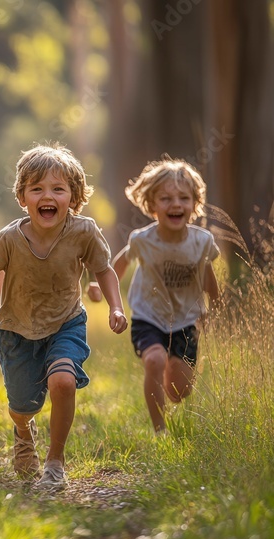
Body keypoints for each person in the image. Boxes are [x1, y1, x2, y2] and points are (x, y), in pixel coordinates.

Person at [0, 143, 127, 491]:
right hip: (16, 328)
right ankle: (22, 431)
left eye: (58, 189)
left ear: (74, 197)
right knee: (22, 406)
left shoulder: (84, 232)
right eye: (37, 188)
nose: (48, 195)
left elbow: (104, 270)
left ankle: (55, 462)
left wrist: (116, 306)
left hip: (66, 322)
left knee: (61, 382)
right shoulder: (9, 238)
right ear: (23, 197)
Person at [89, 158, 219, 434]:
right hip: (148, 315)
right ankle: (160, 430)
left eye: (184, 198)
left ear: (194, 204)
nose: (176, 204)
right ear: (151, 204)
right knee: (154, 360)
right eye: (166, 198)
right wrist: (102, 287)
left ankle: (167, 374)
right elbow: (121, 263)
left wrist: (215, 308)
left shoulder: (201, 242)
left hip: (186, 319)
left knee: (179, 392)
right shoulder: (142, 239)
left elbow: (208, 276)